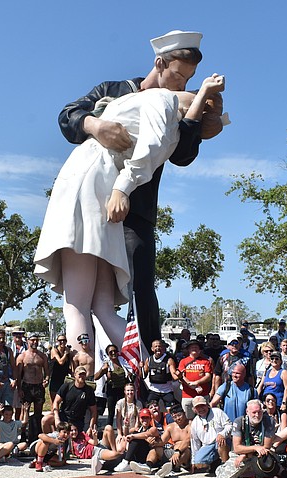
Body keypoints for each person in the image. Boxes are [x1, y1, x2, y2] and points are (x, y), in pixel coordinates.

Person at [49, 29, 223, 352]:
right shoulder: (113, 91)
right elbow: (67, 117)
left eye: (190, 80)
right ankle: (105, 371)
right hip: (95, 200)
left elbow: (184, 153)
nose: (183, 85)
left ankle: (148, 364)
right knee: (89, 298)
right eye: (179, 75)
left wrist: (195, 116)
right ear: (159, 63)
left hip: (136, 211)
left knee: (137, 288)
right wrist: (96, 126)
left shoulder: (173, 106)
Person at [214, 399, 275, 478]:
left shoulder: (269, 421)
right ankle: (222, 469)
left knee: (266, 455)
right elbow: (237, 448)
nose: (257, 415)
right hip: (240, 455)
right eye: (254, 412)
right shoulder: (239, 422)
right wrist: (250, 450)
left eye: (259, 412)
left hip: (258, 455)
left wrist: (247, 453)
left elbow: (266, 447)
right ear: (247, 411)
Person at [42, 366, 98, 436]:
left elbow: (94, 411)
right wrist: (56, 418)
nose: (82, 376)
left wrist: (91, 427)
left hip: (77, 420)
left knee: (70, 435)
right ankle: (51, 442)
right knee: (45, 420)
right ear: (75, 375)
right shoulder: (67, 386)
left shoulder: (88, 391)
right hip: (63, 416)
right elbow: (56, 402)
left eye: (84, 374)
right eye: (80, 374)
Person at [17, 333, 49, 438]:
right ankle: (22, 434)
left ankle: (36, 433)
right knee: (24, 410)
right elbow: (18, 375)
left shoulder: (42, 356)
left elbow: (47, 372)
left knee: (38, 411)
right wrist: (19, 389)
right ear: (28, 341)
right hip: (27, 386)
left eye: (36, 340)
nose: (34, 342)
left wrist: (46, 379)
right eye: (32, 340)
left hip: (39, 386)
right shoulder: (23, 356)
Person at [189, 395, 232, 474]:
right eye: (198, 407)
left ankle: (227, 469)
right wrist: (193, 461)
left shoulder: (217, 412)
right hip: (207, 446)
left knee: (221, 443)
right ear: (194, 409)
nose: (201, 409)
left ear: (207, 405)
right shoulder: (194, 422)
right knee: (199, 463)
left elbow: (229, 425)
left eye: (203, 406)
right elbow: (195, 442)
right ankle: (215, 462)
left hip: (222, 441)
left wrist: (222, 434)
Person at [178, 340, 214, 418]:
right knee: (188, 419)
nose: (194, 348)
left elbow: (208, 377)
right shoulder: (183, 361)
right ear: (188, 349)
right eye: (192, 347)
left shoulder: (206, 361)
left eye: (196, 347)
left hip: (203, 395)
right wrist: (192, 385)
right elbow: (181, 376)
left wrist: (197, 382)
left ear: (200, 349)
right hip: (187, 395)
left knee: (205, 417)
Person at [154, 403, 191, 478]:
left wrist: (178, 451)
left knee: (186, 451)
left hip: (186, 454)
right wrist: (152, 441)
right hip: (173, 452)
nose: (178, 418)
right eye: (174, 417)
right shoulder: (170, 427)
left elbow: (188, 440)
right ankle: (148, 465)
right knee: (155, 449)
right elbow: (162, 441)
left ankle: (171, 467)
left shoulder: (190, 425)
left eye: (179, 415)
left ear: (184, 413)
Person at [143, 339, 179, 409]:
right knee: (149, 409)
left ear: (163, 348)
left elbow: (174, 376)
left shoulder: (169, 360)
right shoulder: (149, 360)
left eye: (159, 346)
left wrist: (180, 375)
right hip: (153, 390)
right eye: (155, 346)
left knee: (172, 410)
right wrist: (141, 367)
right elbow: (143, 375)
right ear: (152, 349)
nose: (157, 348)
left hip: (167, 390)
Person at [49, 334, 72, 403]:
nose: (62, 342)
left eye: (64, 340)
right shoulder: (54, 350)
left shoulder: (68, 351)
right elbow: (60, 362)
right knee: (54, 401)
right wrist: (65, 354)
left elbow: (70, 364)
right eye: (60, 340)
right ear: (57, 341)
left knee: (65, 400)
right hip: (55, 378)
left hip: (64, 379)